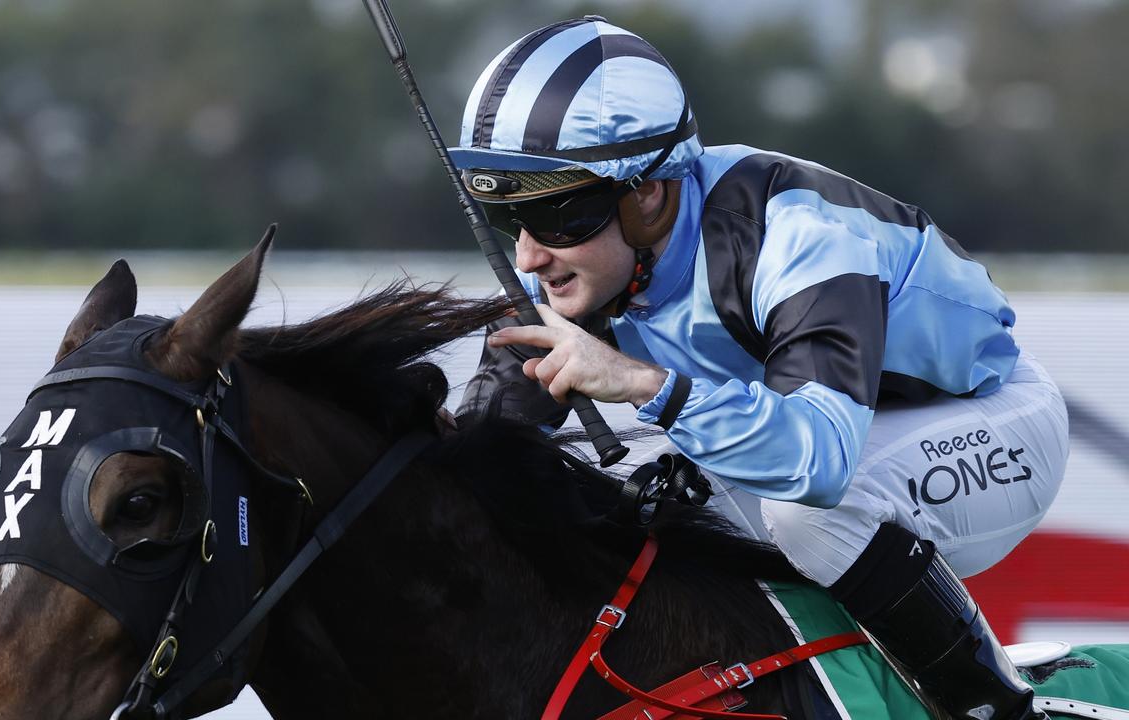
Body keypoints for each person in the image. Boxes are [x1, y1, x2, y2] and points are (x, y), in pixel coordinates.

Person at [450, 15, 1069, 720]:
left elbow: (819, 463)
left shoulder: (797, 237)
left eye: (558, 217)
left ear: (648, 191)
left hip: (992, 420)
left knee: (805, 517)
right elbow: (477, 457)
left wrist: (641, 383)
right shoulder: (579, 265)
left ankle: (1000, 711)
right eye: (510, 221)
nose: (530, 257)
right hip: (834, 428)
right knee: (640, 515)